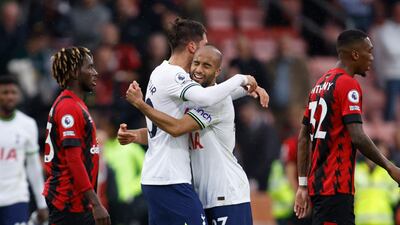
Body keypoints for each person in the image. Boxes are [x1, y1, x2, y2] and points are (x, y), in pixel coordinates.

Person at [118, 18, 258, 225]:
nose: (206, 50)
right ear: (192, 47)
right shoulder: (177, 78)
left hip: (219, 190)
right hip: (171, 179)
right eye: (204, 45)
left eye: (207, 64)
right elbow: (189, 116)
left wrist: (246, 90)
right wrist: (242, 80)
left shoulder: (162, 73)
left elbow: (175, 123)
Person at [294, 29, 400, 225]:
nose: (372, 57)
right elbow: (357, 136)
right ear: (355, 54)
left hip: (320, 188)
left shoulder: (318, 86)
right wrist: (390, 166)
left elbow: (303, 136)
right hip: (335, 188)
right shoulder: (347, 85)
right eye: (369, 51)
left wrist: (302, 185)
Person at [42, 47, 110, 225]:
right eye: (90, 67)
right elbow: (73, 160)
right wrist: (96, 203)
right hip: (69, 201)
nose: (95, 73)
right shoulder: (69, 107)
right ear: (74, 72)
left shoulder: (75, 103)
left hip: (77, 201)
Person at [0, 76, 48, 225]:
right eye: (5, 92)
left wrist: (42, 204)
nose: (10, 96)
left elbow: (33, 166)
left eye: (13, 92)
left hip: (16, 198)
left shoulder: (28, 124)